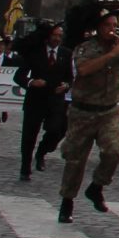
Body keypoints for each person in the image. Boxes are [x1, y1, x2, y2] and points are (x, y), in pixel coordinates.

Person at [55, 3, 119, 223]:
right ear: (98, 27)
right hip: (82, 112)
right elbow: (84, 70)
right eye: (107, 25)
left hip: (108, 112)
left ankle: (96, 187)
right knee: (75, 161)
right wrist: (111, 56)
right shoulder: (85, 48)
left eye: (115, 25)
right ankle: (67, 202)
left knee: (114, 151)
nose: (112, 29)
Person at [13, 20, 72, 182]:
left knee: (56, 131)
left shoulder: (66, 54)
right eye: (54, 35)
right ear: (48, 36)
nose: (57, 39)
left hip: (55, 100)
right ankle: (25, 168)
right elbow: (19, 76)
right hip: (35, 100)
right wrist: (32, 82)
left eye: (60, 36)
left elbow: (70, 77)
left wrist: (66, 85)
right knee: (29, 136)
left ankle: (42, 152)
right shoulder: (35, 52)